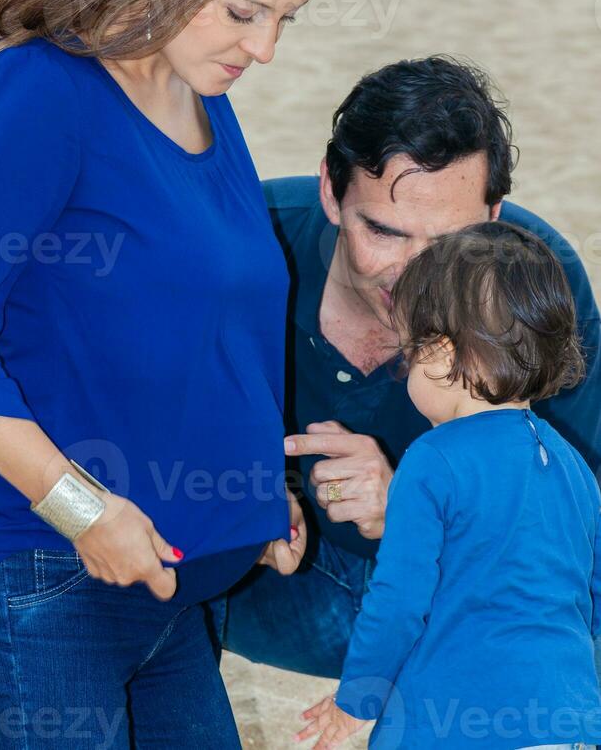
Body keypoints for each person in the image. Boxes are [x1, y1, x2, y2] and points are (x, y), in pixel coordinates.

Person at [0, 0, 342, 748]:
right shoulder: (41, 91)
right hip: (45, 579)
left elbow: (211, 322)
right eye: (246, 11)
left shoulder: (206, 102)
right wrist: (84, 510)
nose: (267, 49)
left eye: (286, 18)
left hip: (174, 594)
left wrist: (258, 484)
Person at [213, 56, 601, 683]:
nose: (419, 277)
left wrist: (417, 516)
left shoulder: (535, 274)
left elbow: (578, 529)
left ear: (494, 217)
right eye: (386, 232)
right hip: (276, 575)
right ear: (330, 193)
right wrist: (237, 493)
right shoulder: (238, 245)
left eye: (450, 241)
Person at [294, 221, 601, 750]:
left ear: (440, 354)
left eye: (410, 354)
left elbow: (398, 601)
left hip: (456, 722)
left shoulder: (432, 460)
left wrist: (356, 702)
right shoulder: (574, 468)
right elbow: (589, 599)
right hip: (567, 720)